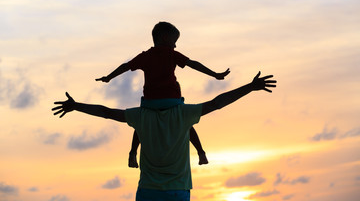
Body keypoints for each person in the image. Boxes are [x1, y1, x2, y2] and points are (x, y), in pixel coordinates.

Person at [52, 71, 276, 201]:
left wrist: (76, 106)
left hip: (148, 190)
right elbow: (218, 102)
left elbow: (106, 112)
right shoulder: (184, 113)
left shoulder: (141, 116)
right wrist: (250, 87)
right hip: (178, 191)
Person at [95, 22, 230, 167]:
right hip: (172, 102)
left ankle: (133, 153)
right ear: (165, 38)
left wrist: (109, 77)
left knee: (140, 124)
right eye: (174, 41)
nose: (175, 46)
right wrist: (214, 74)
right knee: (186, 122)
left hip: (150, 103)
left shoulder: (145, 56)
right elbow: (193, 64)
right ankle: (201, 153)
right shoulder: (171, 54)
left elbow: (125, 67)